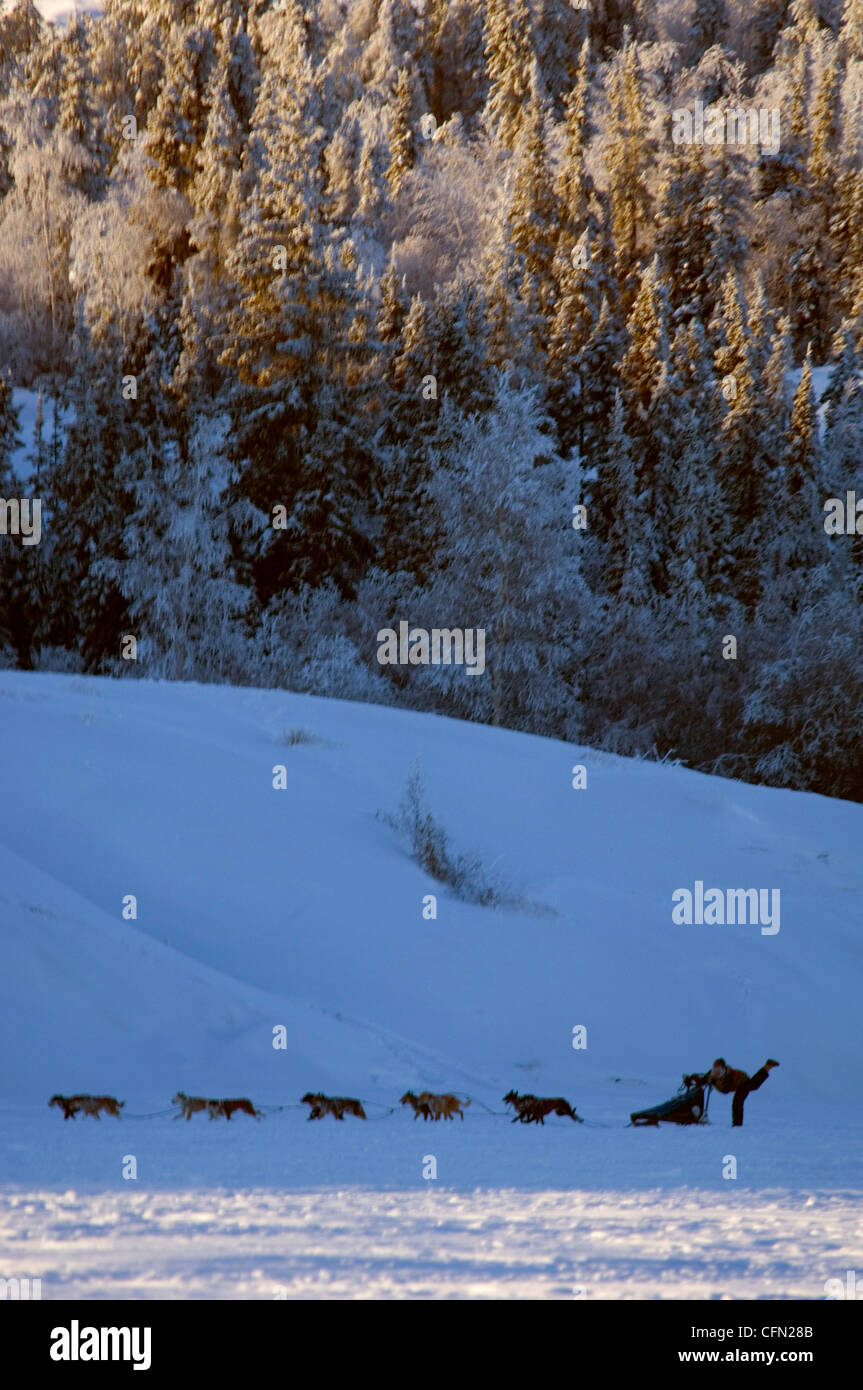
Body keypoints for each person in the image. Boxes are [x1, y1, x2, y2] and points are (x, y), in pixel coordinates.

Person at [696, 1057, 779, 1126]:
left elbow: (725, 1090)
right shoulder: (712, 1074)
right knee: (754, 1085)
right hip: (739, 1083)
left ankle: (737, 1124)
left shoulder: (729, 1076)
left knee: (738, 1100)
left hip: (743, 1082)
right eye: (715, 1068)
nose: (717, 1071)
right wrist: (692, 1079)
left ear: (723, 1068)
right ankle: (767, 1067)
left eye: (719, 1069)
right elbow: (703, 1080)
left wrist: (714, 1082)